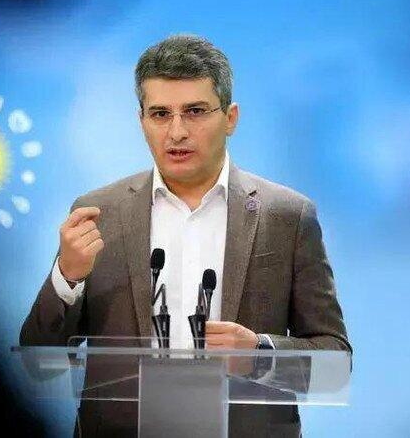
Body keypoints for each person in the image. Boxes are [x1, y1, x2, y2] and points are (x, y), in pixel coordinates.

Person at [20, 34, 351, 437]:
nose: (176, 132)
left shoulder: (286, 216)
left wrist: (259, 355)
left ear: (230, 118)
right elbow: (38, 361)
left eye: (194, 111)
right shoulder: (98, 213)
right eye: (160, 114)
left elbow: (335, 367)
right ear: (141, 121)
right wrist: (67, 277)